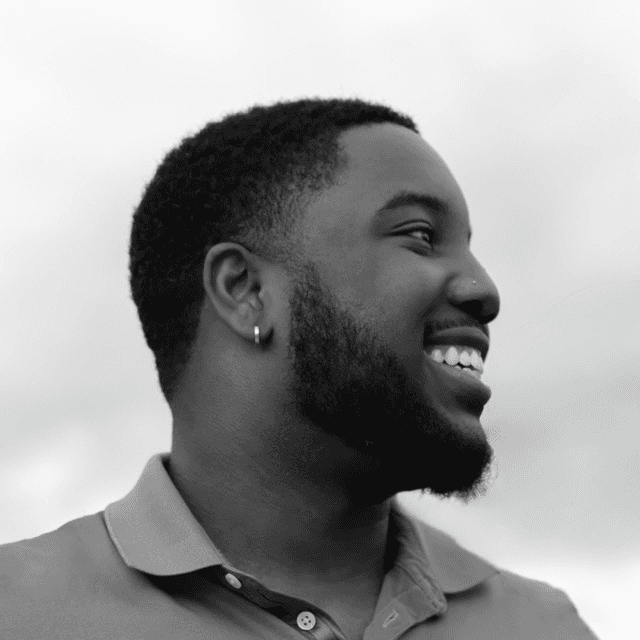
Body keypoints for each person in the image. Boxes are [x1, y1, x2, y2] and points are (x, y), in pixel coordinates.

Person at [0, 97, 599, 639]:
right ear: (245, 290)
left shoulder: (542, 627)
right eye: (420, 235)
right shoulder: (20, 612)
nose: (484, 289)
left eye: (466, 243)